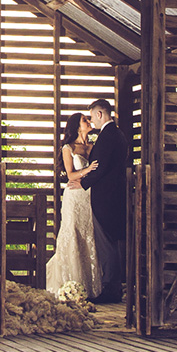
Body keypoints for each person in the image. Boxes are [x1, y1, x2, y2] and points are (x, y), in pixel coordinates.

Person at [45, 111, 114, 298]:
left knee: (88, 234)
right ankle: (70, 281)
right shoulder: (68, 148)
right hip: (74, 196)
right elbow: (70, 175)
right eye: (85, 120)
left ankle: (90, 285)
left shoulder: (93, 146)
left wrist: (91, 174)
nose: (89, 121)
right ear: (77, 126)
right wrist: (87, 170)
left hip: (89, 194)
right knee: (73, 232)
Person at [77, 98, 131, 303]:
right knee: (109, 243)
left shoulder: (108, 136)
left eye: (92, 116)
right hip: (113, 196)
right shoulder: (118, 134)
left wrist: (82, 183)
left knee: (106, 243)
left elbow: (101, 166)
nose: (92, 121)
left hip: (106, 198)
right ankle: (111, 285)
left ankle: (111, 289)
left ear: (100, 114)